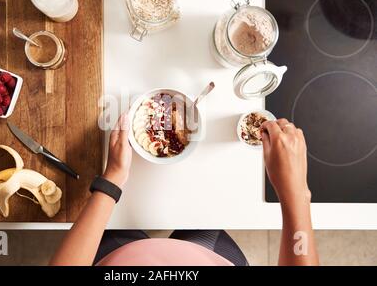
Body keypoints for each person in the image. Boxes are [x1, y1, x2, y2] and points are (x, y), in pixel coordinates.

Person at [50, 114, 319, 266]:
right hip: (209, 257)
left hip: (119, 258)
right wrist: (295, 192)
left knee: (122, 225)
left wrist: (112, 180)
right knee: (202, 217)